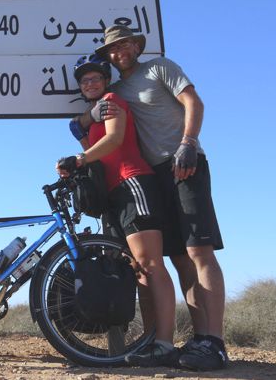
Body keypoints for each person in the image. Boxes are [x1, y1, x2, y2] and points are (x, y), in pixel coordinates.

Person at [87, 24, 228, 371]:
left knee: (199, 250)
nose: (119, 53)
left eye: (124, 46)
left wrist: (189, 143)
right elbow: (104, 113)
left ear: (136, 46)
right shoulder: (116, 89)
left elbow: (193, 101)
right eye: (112, 50)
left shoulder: (160, 67)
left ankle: (215, 341)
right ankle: (196, 340)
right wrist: (86, 116)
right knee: (179, 257)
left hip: (185, 162)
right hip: (153, 177)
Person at [57, 54, 177, 367]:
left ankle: (165, 343)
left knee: (150, 264)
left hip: (132, 182)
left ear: (106, 81)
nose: (90, 83)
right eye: (84, 81)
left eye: (96, 77)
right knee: (137, 271)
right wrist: (83, 125)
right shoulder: (94, 113)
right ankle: (151, 341)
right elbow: (77, 130)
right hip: (113, 193)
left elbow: (114, 139)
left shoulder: (112, 100)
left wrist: (79, 160)